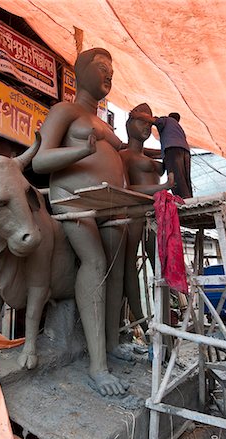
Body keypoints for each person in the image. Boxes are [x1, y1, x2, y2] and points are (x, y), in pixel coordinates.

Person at [32, 48, 131, 396]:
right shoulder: (65, 111)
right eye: (102, 67)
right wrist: (81, 152)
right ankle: (97, 367)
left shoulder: (104, 123)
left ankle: (113, 344)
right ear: (80, 71)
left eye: (112, 70)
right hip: (73, 198)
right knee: (95, 262)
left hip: (111, 203)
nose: (109, 75)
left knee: (116, 271)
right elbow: (41, 161)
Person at [120, 103, 174, 333]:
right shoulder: (123, 156)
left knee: (161, 264)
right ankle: (141, 320)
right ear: (128, 124)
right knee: (130, 264)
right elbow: (123, 187)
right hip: (135, 212)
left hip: (158, 212)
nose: (146, 128)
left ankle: (164, 319)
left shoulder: (149, 156)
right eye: (142, 122)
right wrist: (161, 187)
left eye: (150, 124)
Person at [132, 111, 193, 198]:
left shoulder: (167, 120)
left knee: (176, 177)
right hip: (185, 151)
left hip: (172, 148)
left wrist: (139, 115)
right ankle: (189, 199)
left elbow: (154, 120)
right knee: (186, 178)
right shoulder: (178, 127)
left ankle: (182, 199)